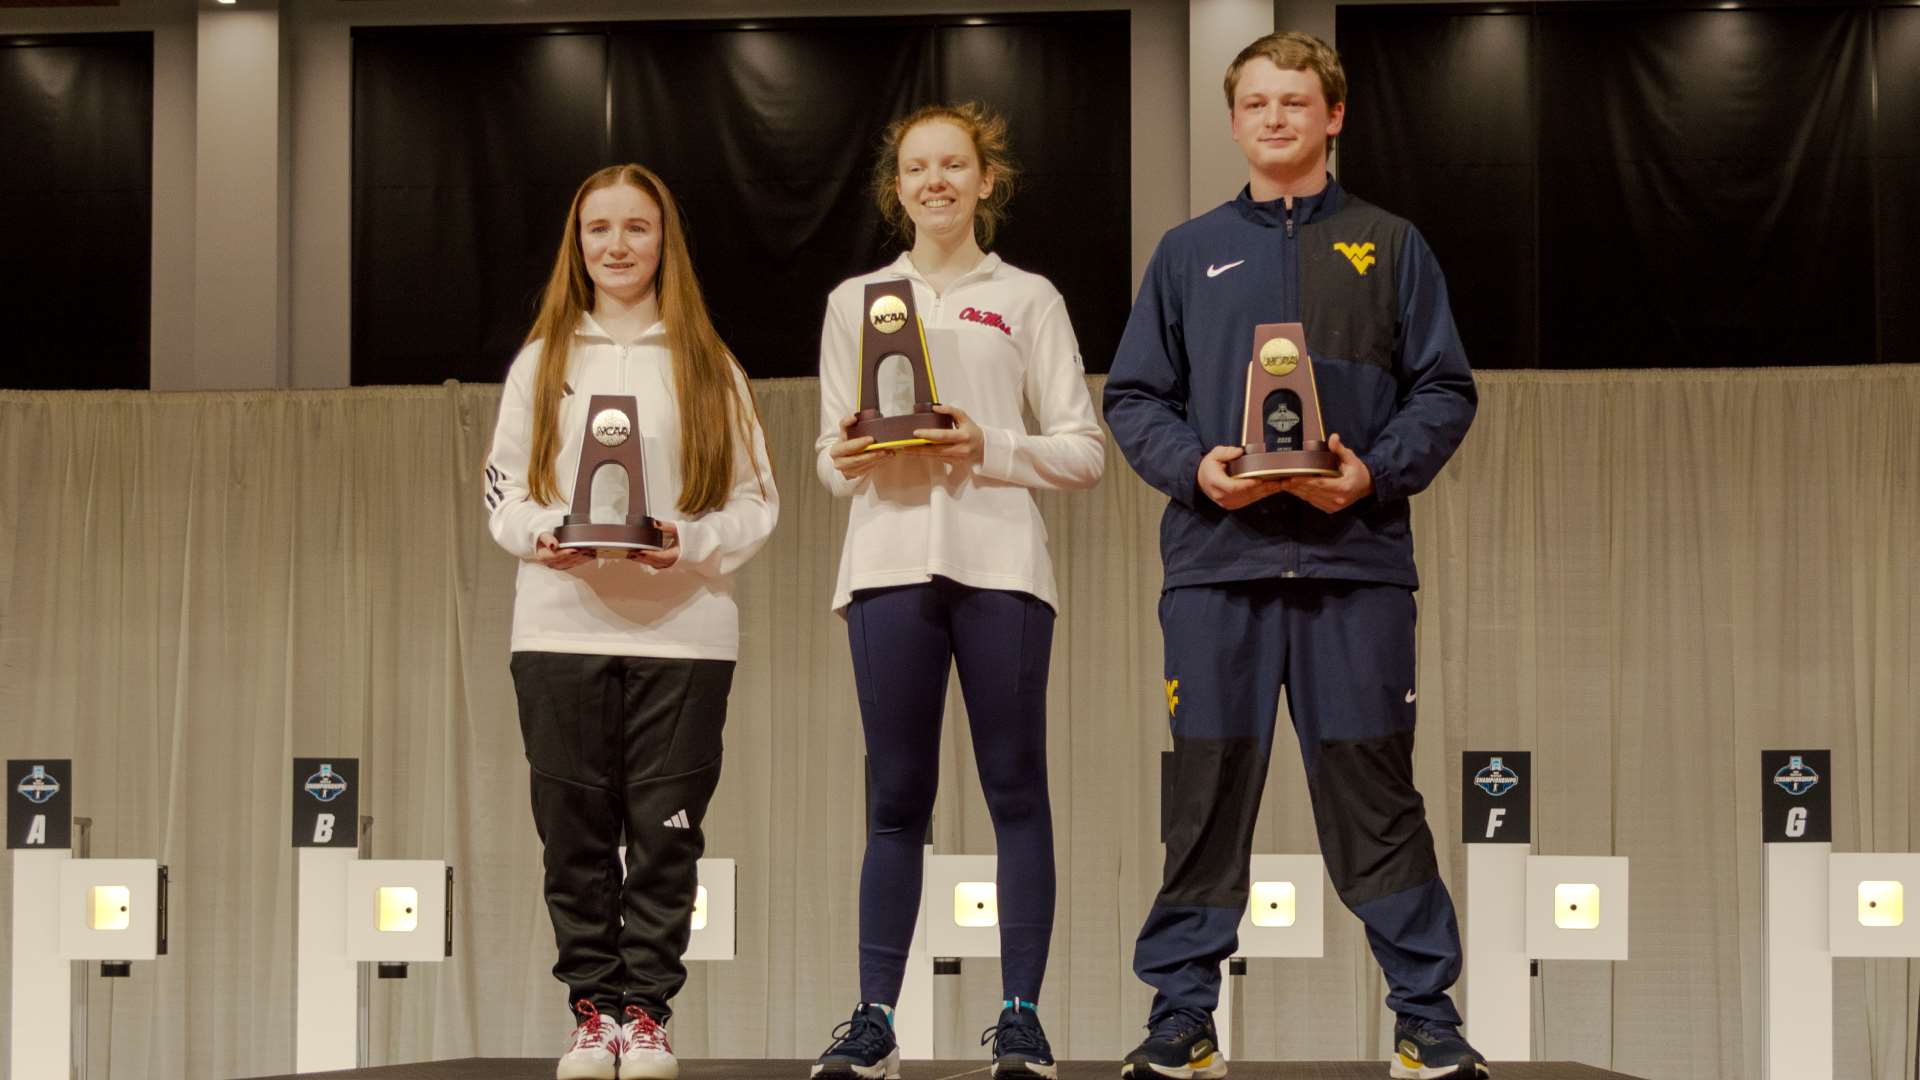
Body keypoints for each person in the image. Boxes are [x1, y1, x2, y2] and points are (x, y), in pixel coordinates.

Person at [1103, 32, 1488, 1080]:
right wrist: (1198, 470)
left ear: (1334, 116)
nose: (1276, 117)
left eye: (1295, 101)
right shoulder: (1186, 254)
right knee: (1205, 798)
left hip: (1352, 570)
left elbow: (1445, 389)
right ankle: (1182, 1020)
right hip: (1218, 570)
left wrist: (1373, 472)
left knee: (1374, 792)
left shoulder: (1391, 244)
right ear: (1234, 122)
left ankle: (1426, 1018)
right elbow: (1134, 398)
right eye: (1257, 103)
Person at [809, 102, 1104, 1080]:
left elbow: (1083, 450)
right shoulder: (859, 298)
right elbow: (829, 458)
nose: (935, 181)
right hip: (887, 566)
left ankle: (1020, 1017)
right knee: (896, 798)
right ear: (897, 189)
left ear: (986, 179)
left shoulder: (1026, 297)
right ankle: (875, 1021)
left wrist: (991, 445)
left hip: (1002, 569)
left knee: (1015, 790)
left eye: (953, 166)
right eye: (916, 169)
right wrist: (850, 452)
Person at [484, 163, 778, 1080]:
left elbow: (755, 505)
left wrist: (682, 541)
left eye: (636, 228)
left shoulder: (708, 364)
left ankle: (646, 1015)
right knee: (573, 837)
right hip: (558, 632)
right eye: (599, 229)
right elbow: (501, 494)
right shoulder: (543, 361)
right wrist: (545, 536)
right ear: (578, 245)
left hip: (684, 636)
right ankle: (591, 1014)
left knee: (665, 835)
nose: (617, 245)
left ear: (664, 242)